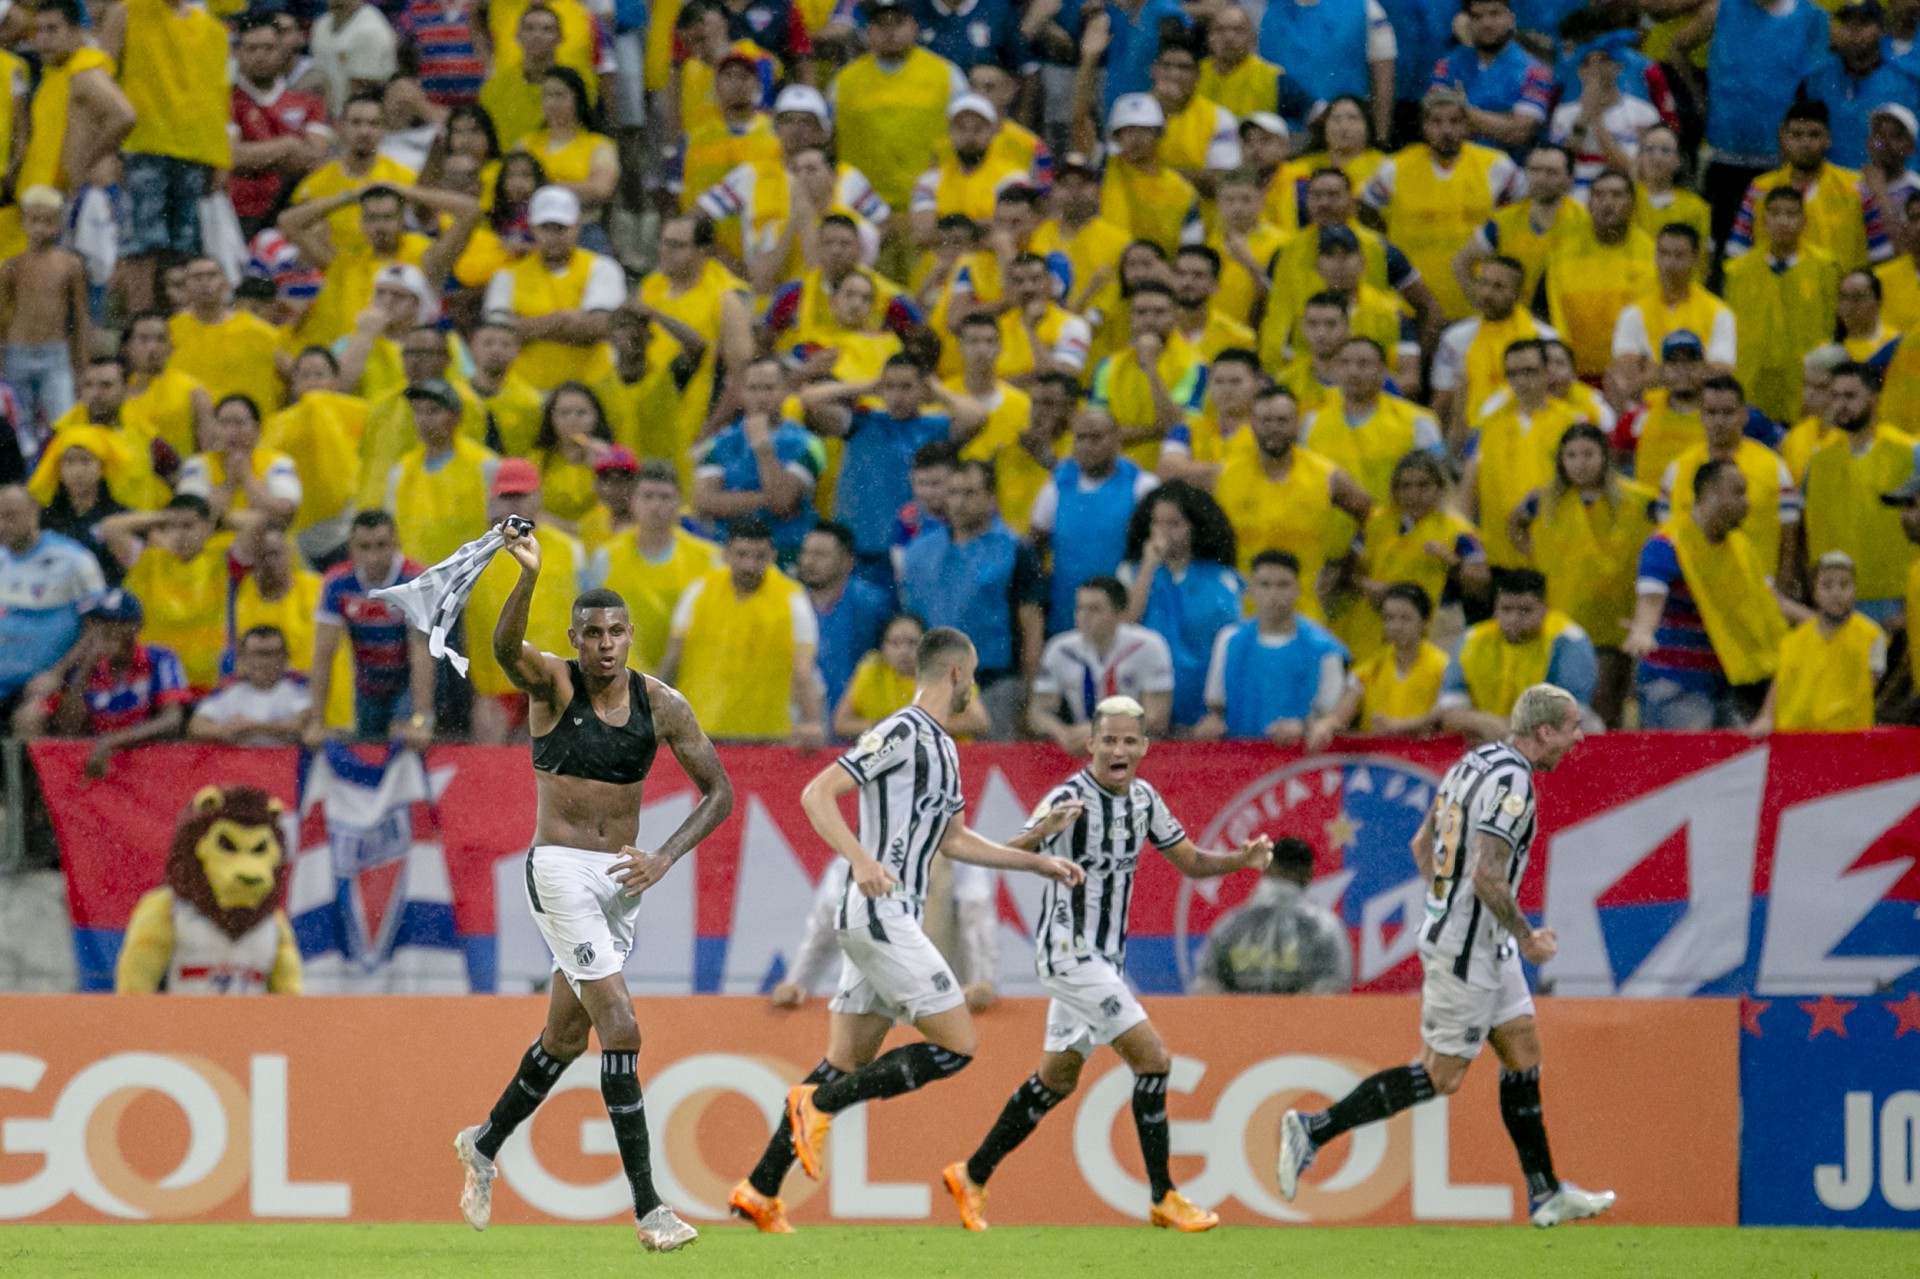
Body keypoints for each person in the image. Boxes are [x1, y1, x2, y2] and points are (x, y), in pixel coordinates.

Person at [727, 626, 1083, 1235]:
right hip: (879, 913)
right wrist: (860, 859)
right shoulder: (899, 730)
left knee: (844, 1060)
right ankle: (817, 1107)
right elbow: (818, 792)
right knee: (957, 1045)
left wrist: (1036, 855)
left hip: (892, 916)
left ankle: (759, 1188)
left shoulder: (944, 748)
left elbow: (956, 841)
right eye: (971, 677)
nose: (974, 688)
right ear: (954, 674)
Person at [454, 528, 734, 1256]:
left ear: (631, 635)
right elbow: (504, 652)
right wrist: (528, 579)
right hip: (559, 869)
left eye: (616, 631)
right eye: (592, 633)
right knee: (621, 1022)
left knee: (565, 1036)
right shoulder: (554, 683)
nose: (605, 644)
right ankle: (650, 1208)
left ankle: (484, 1142)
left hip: (619, 882)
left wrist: (667, 856)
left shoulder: (662, 703)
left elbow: (720, 792)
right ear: (574, 637)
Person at [1276, 683, 1615, 1229]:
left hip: (1479, 941)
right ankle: (1314, 1128)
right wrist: (1524, 935)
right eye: (1573, 727)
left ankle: (1546, 1191)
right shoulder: (1514, 784)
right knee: (1441, 1076)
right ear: (1545, 730)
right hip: (1469, 947)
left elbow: (1421, 844)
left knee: (1523, 1049)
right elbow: (1486, 874)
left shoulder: (1474, 761)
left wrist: (1446, 903)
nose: (1579, 738)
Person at [944, 694, 1271, 1232]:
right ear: (1091, 743)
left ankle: (972, 1174)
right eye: (1109, 740)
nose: (1118, 749)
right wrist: (1040, 831)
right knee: (1154, 1059)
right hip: (1069, 953)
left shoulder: (1144, 799)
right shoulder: (1069, 796)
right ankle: (1164, 1195)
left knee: (1056, 1078)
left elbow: (1188, 861)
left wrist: (1241, 859)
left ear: (1143, 746)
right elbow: (1004, 850)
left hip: (1104, 960)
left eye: (1129, 740)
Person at [1626, 460, 1799, 730]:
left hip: (1725, 686)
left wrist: (1816, 620)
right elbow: (1650, 601)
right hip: (1674, 687)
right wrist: (1643, 632)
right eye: (1738, 492)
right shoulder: (1666, 544)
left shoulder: (1741, 549)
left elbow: (1770, 600)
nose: (1747, 502)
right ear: (1709, 492)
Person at [1510, 424, 1656, 729]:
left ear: (1605, 456)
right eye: (1572, 455)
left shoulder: (1639, 500)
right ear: (1561, 460)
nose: (1580, 462)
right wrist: (1533, 553)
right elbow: (1515, 523)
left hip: (1613, 618)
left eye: (1589, 454)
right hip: (1562, 615)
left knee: (1605, 706)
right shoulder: (1544, 500)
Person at [101, 0, 232, 314]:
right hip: (141, 147)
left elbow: (216, 96)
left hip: (194, 153)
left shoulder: (211, 28)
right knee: (141, 248)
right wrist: (105, 150)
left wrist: (221, 156)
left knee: (184, 250)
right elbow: (102, 80)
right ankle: (139, 327)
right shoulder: (127, 12)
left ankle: (178, 328)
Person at [899, 459, 1046, 737]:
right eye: (953, 492)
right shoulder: (918, 553)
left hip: (995, 682)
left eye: (969, 493)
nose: (959, 502)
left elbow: (1032, 626)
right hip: (932, 685)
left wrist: (1028, 694)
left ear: (991, 499)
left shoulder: (1016, 550)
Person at [660, 518, 827, 746]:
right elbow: (672, 660)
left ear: (772, 556)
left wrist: (812, 723)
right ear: (726, 554)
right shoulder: (698, 592)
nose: (750, 565)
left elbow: (804, 671)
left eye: (760, 556)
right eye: (741, 555)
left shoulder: (793, 598)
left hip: (768, 736)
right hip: (702, 732)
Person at [1362, 87, 1521, 323]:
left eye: (1455, 121)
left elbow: (1521, 215)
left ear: (1468, 125)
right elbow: (1365, 209)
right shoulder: (1394, 168)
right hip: (1413, 304)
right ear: (1423, 126)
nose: (1446, 130)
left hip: (1476, 305)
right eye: (1436, 121)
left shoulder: (1498, 166)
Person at [1214, 387, 1373, 621]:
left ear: (1296, 423)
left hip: (1304, 612)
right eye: (1265, 420)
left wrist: (1345, 565)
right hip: (1241, 612)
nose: (1273, 428)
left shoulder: (1326, 476)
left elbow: (1369, 513)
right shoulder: (1225, 474)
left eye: (1282, 420)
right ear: (1252, 424)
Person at [11, 587, 191, 779]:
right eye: (101, 622)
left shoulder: (160, 658)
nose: (106, 629)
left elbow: (172, 720)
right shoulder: (89, 666)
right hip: (97, 763)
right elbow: (69, 730)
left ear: (135, 626)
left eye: (116, 621)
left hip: (144, 759)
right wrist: (86, 668)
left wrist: (112, 741)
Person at [1194, 550, 1352, 749]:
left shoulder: (1325, 648)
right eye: (1265, 585)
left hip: (1297, 761)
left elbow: (1333, 717)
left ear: (1297, 589)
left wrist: (1302, 727)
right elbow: (1216, 705)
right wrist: (1213, 722)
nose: (1273, 594)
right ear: (1251, 589)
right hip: (1239, 759)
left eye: (1283, 585)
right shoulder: (1229, 640)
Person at [306, 509, 437, 749]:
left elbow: (421, 653)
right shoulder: (337, 583)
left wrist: (422, 720)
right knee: (367, 748)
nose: (373, 557)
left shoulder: (415, 580)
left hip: (407, 678)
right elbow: (323, 654)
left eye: (381, 546)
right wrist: (316, 722)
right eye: (364, 547)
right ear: (351, 548)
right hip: (368, 681)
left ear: (396, 542)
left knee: (404, 740)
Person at [1659, 375, 1803, 592]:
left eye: (1727, 412)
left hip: (1758, 593)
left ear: (1744, 415)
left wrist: (1783, 590)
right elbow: (1666, 538)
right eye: (1711, 412)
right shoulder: (1677, 470)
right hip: (1697, 595)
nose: (1719, 421)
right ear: (1701, 415)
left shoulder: (1773, 468)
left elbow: (1790, 535)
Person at [1120, 482, 1241, 730]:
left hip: (1202, 693)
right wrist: (1148, 566)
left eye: (1174, 524)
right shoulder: (1130, 573)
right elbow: (1127, 622)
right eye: (1156, 523)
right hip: (1148, 694)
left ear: (1194, 527)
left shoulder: (1223, 578)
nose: (1163, 532)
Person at [828, 0, 963, 216]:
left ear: (914, 26)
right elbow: (829, 138)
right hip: (862, 207)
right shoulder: (845, 80)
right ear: (868, 30)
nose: (890, 32)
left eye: (898, 23)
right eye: (881, 24)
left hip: (926, 205)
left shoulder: (946, 74)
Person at [1029, 410, 1159, 633]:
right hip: (1066, 614)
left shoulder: (1143, 486)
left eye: (1096, 438)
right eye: (1080, 438)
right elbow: (1034, 545)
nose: (1087, 445)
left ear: (1117, 439)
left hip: (1128, 616)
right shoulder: (1055, 487)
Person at [591, 460, 723, 674]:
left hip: (690, 680)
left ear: (680, 503)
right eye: (648, 496)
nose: (656, 505)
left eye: (665, 497)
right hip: (623, 681)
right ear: (633, 502)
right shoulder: (606, 557)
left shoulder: (709, 558)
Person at [1722, 188, 1839, 426]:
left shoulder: (1826, 269)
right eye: (1775, 213)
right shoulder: (1737, 272)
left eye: (1791, 213)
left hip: (1804, 393)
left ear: (1804, 220)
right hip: (1751, 391)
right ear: (1763, 221)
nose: (1783, 221)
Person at [1438, 569, 1597, 741]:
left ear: (1545, 610)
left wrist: (1509, 726)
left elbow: (1572, 714)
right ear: (1495, 610)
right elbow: (1449, 711)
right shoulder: (1471, 640)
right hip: (1490, 734)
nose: (1514, 618)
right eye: (1506, 609)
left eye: (1525, 610)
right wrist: (1481, 722)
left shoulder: (1569, 640)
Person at [1462, 339, 1580, 569]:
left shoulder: (1572, 424)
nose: (1521, 381)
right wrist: (1470, 551)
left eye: (1529, 371)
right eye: (1513, 373)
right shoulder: (1487, 426)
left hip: (1556, 558)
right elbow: (1467, 492)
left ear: (1547, 373)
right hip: (1498, 558)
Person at [693, 358, 823, 565]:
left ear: (785, 391)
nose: (761, 397)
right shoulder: (719, 443)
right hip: (729, 554)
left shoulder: (807, 444)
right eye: (753, 389)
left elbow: (781, 504)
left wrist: (763, 446)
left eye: (769, 388)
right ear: (742, 393)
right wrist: (767, 498)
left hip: (785, 554)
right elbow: (706, 502)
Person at [1748, 551, 1886, 735]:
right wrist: (1766, 718)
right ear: (1815, 592)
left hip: (1846, 742)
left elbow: (1869, 690)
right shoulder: (1793, 641)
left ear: (1855, 590)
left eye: (1844, 585)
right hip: (1794, 740)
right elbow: (1778, 687)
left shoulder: (1872, 636)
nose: (1836, 593)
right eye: (1827, 586)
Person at [1030, 577, 1174, 751]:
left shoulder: (1148, 646)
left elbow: (1157, 717)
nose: (1084, 616)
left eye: (1094, 609)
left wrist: (1101, 731)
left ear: (1119, 612)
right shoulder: (1060, 649)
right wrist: (1063, 734)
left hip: (1136, 750)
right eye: (1080, 608)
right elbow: (1038, 712)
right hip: (1081, 746)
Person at [1192, 836, 1351, 994]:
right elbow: (1334, 988)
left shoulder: (1230, 925)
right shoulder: (1325, 927)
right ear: (1309, 873)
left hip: (1239, 1019)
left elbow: (1206, 986)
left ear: (1266, 867)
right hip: (1302, 1019)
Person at [0, 484, 106, 718]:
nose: (1, 525)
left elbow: (98, 628)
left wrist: (57, 674)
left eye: (10, 516)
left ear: (33, 513)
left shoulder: (74, 559)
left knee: (29, 717)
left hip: (52, 681)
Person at [0, 187, 88, 431]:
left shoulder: (70, 265)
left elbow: (80, 316)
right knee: (19, 427)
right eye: (34, 220)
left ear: (58, 223)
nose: (40, 227)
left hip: (56, 354)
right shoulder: (11, 266)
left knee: (64, 422)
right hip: (17, 352)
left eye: (48, 220)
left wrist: (82, 366)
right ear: (24, 222)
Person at [1431, 0, 1553, 152]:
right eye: (1477, 16)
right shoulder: (1446, 66)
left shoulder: (1535, 71)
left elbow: (1518, 133)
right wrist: (1502, 120)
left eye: (1495, 14)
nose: (1486, 23)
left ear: (1511, 19)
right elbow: (1434, 126)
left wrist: (1462, 111)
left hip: (1510, 169)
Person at [797, 521, 892, 716]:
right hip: (803, 721)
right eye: (806, 553)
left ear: (848, 561)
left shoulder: (871, 604)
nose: (808, 561)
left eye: (820, 555)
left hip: (855, 719)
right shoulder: (791, 602)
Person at [1342, 582, 1448, 734]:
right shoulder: (1371, 667)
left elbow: (1444, 713)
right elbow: (1341, 715)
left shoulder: (1443, 666)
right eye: (1389, 618)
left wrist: (1398, 726)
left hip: (1424, 753)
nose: (1396, 626)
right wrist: (1328, 723)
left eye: (1405, 618)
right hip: (1379, 754)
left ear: (1425, 622)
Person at [187, 625, 313, 746]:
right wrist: (223, 730)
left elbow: (302, 726)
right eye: (258, 654)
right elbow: (196, 726)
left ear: (286, 656)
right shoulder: (228, 689)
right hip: (239, 764)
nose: (265, 661)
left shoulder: (301, 686)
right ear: (243, 657)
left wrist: (253, 727)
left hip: (292, 764)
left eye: (272, 653)